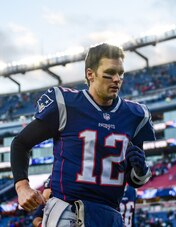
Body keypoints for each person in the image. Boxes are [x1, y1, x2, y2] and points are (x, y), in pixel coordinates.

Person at [11, 43, 156, 226]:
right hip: (68, 211)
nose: (117, 79)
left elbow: (135, 179)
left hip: (110, 215)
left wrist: (141, 170)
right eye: (110, 72)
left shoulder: (134, 115)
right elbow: (21, 143)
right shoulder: (67, 104)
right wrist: (22, 187)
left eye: (120, 73)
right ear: (90, 74)